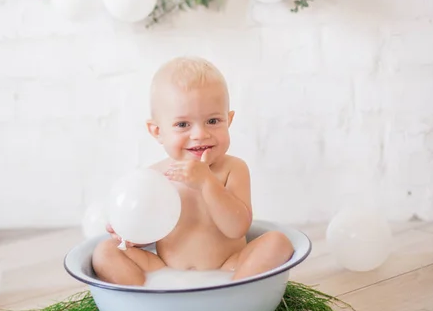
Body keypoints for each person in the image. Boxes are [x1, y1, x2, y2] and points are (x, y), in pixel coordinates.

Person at [92, 56, 294, 286]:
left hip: (229, 265)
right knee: (105, 251)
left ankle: (234, 290)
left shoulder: (232, 169)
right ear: (157, 131)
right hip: (164, 270)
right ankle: (145, 294)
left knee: (278, 242)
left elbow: (237, 229)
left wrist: (207, 182)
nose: (199, 134)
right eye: (182, 124)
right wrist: (130, 234)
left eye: (213, 120)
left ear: (228, 120)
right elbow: (149, 231)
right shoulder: (153, 178)